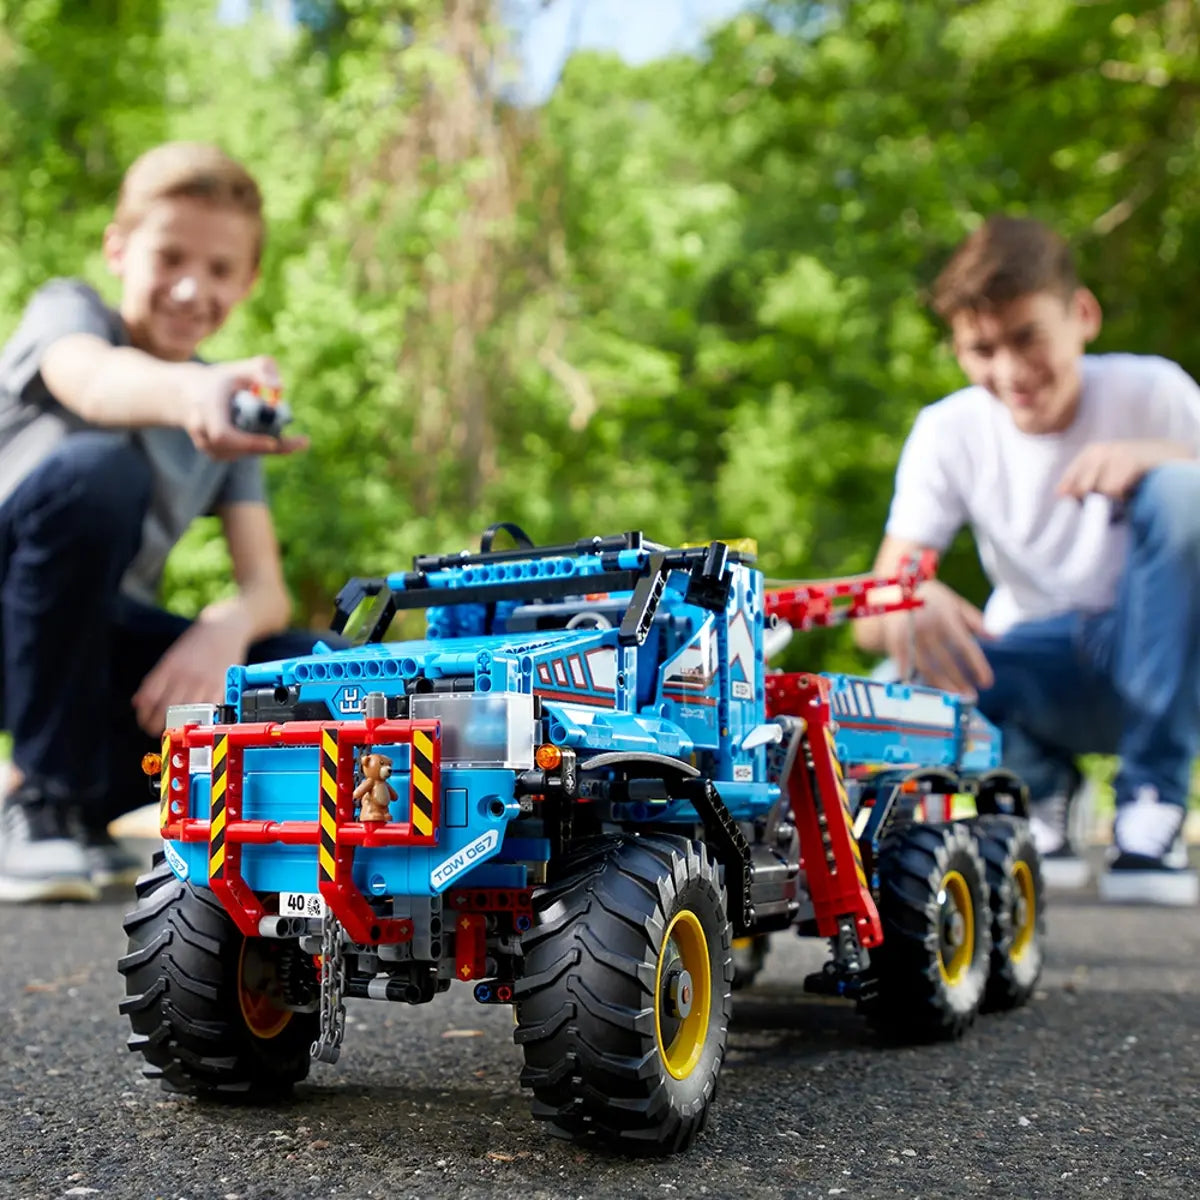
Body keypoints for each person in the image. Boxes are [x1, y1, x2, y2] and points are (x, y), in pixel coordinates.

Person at [0, 142, 321, 903]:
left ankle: (69, 801)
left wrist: (227, 625)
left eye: (218, 270)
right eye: (169, 256)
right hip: (14, 613)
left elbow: (265, 587)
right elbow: (96, 380)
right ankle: (42, 794)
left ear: (248, 281)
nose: (189, 288)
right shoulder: (71, 314)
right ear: (119, 247)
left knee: (303, 659)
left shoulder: (225, 412)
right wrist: (192, 394)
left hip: (86, 669)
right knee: (102, 472)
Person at [855, 214, 1200, 906]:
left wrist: (1154, 458)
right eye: (982, 349)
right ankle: (1039, 788)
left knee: (1184, 488)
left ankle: (1152, 805)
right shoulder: (948, 431)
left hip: (1166, 656)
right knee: (894, 675)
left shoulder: (1152, 392)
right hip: (1037, 666)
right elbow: (870, 611)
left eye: (1026, 337)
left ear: (1082, 315)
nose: (1009, 372)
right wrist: (907, 600)